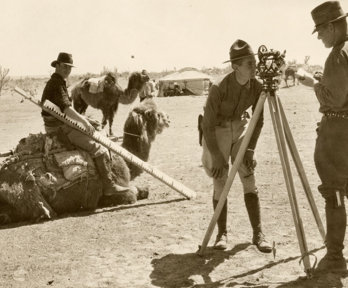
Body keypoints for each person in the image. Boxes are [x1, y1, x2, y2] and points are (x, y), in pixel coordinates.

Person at [201, 39, 272, 252]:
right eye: (249, 63)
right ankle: (221, 234)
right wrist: (217, 156)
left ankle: (258, 233)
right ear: (235, 67)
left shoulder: (258, 86)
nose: (255, 67)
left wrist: (250, 149)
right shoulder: (219, 87)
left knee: (248, 175)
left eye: (255, 62)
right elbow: (207, 125)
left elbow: (258, 119)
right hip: (217, 130)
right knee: (220, 180)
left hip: (241, 126)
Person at [41, 52, 128, 196]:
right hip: (60, 128)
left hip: (62, 123)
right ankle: (109, 186)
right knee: (98, 148)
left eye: (69, 68)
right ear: (57, 66)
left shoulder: (57, 82)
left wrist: (84, 119)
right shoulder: (56, 84)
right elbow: (67, 109)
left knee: (95, 132)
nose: (67, 70)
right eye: (64, 67)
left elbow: (64, 110)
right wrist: (84, 121)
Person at [309, 1, 348, 273]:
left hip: (337, 134)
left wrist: (312, 83)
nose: (320, 36)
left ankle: (334, 257)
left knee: (334, 193)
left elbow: (333, 99)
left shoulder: (338, 54)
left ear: (332, 27)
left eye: (321, 31)